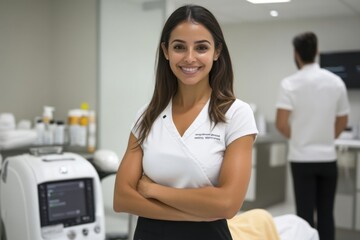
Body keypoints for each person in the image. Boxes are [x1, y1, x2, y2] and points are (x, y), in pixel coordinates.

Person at [113, 4, 258, 240]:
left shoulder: (236, 114)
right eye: (179, 47)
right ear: (166, 51)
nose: (190, 58)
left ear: (216, 52)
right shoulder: (147, 116)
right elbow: (121, 198)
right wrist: (200, 212)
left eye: (201, 47)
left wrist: (153, 190)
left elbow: (228, 203)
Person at [275, 31, 350, 240]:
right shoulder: (336, 82)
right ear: (316, 52)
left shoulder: (289, 84)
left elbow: (281, 124)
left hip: (301, 159)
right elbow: (343, 121)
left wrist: (299, 137)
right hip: (327, 158)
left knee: (305, 216)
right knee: (326, 214)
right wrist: (326, 137)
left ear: (295, 54)